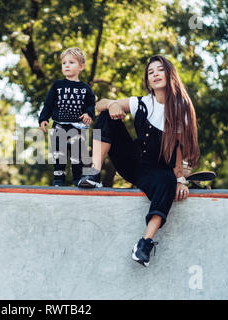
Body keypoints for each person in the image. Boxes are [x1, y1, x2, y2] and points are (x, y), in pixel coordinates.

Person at [77, 55, 200, 267]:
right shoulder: (142, 103)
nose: (155, 75)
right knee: (107, 115)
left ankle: (144, 243)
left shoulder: (181, 108)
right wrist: (112, 104)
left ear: (169, 73)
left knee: (167, 183)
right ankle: (94, 173)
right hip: (133, 161)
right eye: (150, 72)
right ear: (148, 80)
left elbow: (178, 148)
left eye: (159, 70)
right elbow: (98, 105)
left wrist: (180, 178)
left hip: (157, 170)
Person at [39, 47, 96, 186]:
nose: (67, 65)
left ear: (81, 66)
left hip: (77, 127)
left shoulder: (85, 88)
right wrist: (43, 118)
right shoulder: (57, 85)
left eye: (71, 62)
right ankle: (58, 181)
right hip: (59, 125)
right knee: (59, 155)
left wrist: (88, 114)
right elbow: (48, 104)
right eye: (64, 63)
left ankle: (78, 180)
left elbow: (91, 104)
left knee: (77, 156)